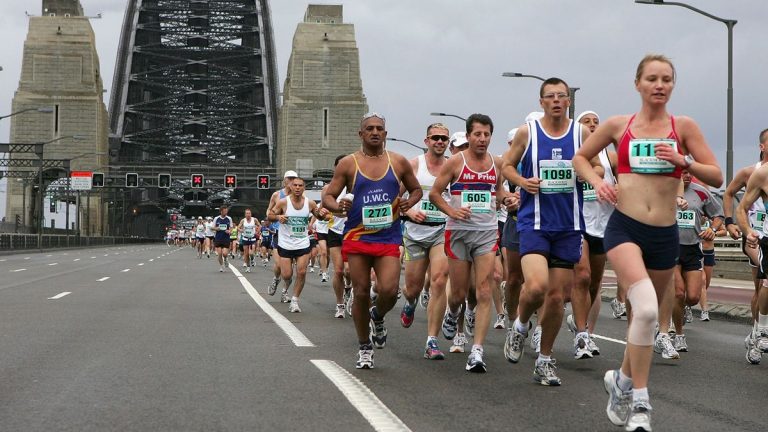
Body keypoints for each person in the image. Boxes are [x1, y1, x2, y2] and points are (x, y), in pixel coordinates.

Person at [573, 54, 722, 431]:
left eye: (667, 79)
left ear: (673, 86)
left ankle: (620, 380)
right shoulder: (618, 125)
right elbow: (580, 158)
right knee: (648, 313)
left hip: (664, 234)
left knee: (645, 316)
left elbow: (716, 176)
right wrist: (598, 182)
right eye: (652, 79)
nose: (660, 85)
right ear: (637, 84)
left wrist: (683, 160)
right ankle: (640, 402)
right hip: (625, 229)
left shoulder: (682, 127)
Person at [502, 78, 591, 384]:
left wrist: (587, 175)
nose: (556, 101)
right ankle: (520, 326)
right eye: (550, 96)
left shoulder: (581, 133)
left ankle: (545, 358)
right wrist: (523, 182)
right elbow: (507, 167)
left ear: (569, 101)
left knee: (556, 298)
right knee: (537, 287)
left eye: (561, 96)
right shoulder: (529, 133)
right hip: (534, 223)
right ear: (541, 102)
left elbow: (599, 168)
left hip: (568, 226)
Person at [323, 112, 421, 369]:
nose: (375, 132)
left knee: (389, 290)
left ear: (385, 134)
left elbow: (417, 188)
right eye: (370, 129)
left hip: (388, 236)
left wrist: (411, 200)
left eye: (379, 128)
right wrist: (337, 207)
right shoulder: (348, 163)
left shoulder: (398, 162)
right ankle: (364, 345)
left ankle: (377, 316)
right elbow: (328, 195)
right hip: (357, 237)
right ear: (361, 134)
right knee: (362, 291)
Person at [430, 113, 509, 373]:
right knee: (460, 294)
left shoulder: (497, 163)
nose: (482, 139)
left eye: (486, 134)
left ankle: (477, 351)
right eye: (477, 134)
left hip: (486, 232)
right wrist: (451, 211)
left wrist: (507, 198)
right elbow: (434, 194)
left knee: (484, 289)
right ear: (468, 136)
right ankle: (452, 314)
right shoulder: (455, 162)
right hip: (459, 232)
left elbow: (498, 191)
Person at [565, 110, 617, 358]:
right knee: (582, 275)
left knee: (594, 282)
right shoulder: (573, 154)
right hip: (577, 223)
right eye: (587, 122)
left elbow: (627, 179)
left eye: (597, 122)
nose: (593, 125)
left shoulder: (609, 156)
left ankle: (581, 324)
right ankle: (582, 335)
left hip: (603, 224)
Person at [655, 170, 724, 356]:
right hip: (671, 247)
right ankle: (678, 334)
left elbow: (719, 215)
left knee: (692, 297)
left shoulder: (701, 192)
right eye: (682, 172)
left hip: (693, 248)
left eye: (689, 173)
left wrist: (712, 229)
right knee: (678, 292)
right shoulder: (664, 189)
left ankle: (674, 309)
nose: (686, 176)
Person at [399, 122, 451, 360]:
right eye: (435, 138)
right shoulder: (413, 165)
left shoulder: (453, 166)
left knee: (439, 280)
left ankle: (432, 340)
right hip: (415, 232)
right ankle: (409, 303)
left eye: (444, 138)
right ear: (426, 141)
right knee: (413, 288)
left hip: (441, 229)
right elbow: (395, 197)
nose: (440, 142)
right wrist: (408, 212)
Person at [723, 129, 768, 364]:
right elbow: (729, 194)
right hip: (755, 237)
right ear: (762, 146)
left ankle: (757, 331)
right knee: (761, 282)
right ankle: (759, 333)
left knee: (763, 286)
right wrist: (731, 223)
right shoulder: (750, 172)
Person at [269, 177, 328, 312]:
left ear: (304, 188)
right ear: (291, 187)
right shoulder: (283, 202)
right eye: (294, 185)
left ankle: (294, 300)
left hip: (302, 243)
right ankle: (284, 285)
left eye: (300, 185)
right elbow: (270, 216)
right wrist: (278, 217)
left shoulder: (310, 203)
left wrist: (323, 214)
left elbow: (319, 216)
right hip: (286, 244)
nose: (297, 188)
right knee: (287, 275)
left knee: (301, 272)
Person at [323, 155, 353, 319]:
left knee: (349, 271)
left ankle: (349, 286)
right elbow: (322, 210)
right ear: (336, 168)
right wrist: (322, 213)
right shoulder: (328, 189)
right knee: (339, 270)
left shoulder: (356, 186)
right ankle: (340, 304)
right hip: (335, 232)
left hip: (352, 232)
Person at [266, 171, 299, 300]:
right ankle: (275, 279)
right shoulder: (276, 195)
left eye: (294, 179)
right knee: (279, 265)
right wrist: (275, 217)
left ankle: (285, 291)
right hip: (278, 232)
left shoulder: (299, 196)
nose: (292, 182)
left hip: (293, 233)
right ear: (284, 181)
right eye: (289, 179)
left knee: (289, 270)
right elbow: (269, 210)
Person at [213, 205, 235, 272]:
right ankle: (221, 266)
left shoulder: (229, 218)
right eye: (225, 211)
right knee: (219, 253)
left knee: (225, 253)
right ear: (221, 211)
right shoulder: (216, 218)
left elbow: (231, 228)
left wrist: (229, 231)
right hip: (218, 238)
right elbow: (212, 227)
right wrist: (217, 228)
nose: (226, 212)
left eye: (227, 211)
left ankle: (225, 259)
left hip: (226, 238)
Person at [238, 208, 260, 273]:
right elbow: (238, 227)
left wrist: (257, 232)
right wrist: (241, 230)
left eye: (249, 213)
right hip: (245, 238)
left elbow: (260, 226)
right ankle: (248, 267)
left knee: (251, 253)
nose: (248, 215)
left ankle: (252, 259)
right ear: (245, 214)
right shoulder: (243, 220)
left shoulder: (254, 220)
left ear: (251, 214)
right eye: (247, 213)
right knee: (246, 254)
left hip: (252, 238)